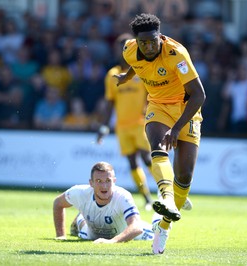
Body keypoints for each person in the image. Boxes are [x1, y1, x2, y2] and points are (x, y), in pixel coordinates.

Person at [113, 13, 206, 254]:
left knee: (184, 176)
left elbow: (199, 95)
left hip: (187, 110)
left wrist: (176, 130)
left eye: (153, 41)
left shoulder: (177, 54)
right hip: (158, 107)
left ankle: (163, 225)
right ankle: (166, 199)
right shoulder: (129, 50)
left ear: (160, 37)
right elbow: (138, 64)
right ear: (137, 42)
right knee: (157, 147)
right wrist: (127, 77)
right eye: (144, 43)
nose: (149, 46)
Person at [97, 33, 154, 211]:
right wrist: (104, 126)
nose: (124, 52)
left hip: (140, 123)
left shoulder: (142, 70)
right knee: (132, 162)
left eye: (127, 48)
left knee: (147, 158)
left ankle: (165, 190)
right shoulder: (112, 74)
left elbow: (152, 95)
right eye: (121, 48)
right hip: (122, 126)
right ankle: (147, 199)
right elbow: (109, 102)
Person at [53, 161, 154, 243]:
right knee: (82, 225)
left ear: (114, 181)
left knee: (155, 232)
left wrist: (112, 241)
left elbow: (137, 227)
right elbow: (58, 203)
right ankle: (80, 219)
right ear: (91, 183)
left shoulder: (123, 196)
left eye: (108, 180)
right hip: (91, 235)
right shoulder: (80, 192)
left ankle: (80, 217)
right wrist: (61, 236)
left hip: (126, 234)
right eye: (98, 181)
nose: (104, 186)